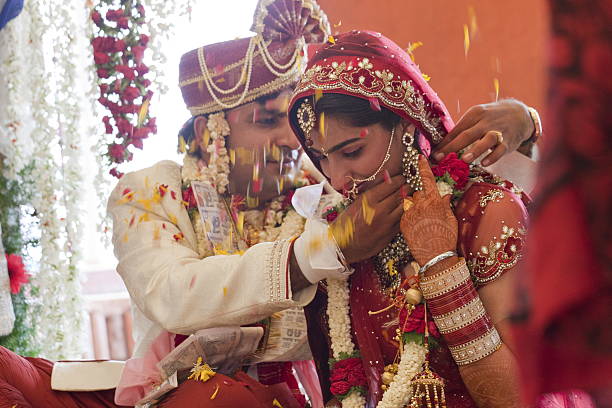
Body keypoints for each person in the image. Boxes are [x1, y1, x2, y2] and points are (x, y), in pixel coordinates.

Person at [0, 1, 540, 406]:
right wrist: (322, 251)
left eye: (293, 123)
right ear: (213, 130)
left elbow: (416, 139)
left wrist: (525, 123)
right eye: (267, 121)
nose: (292, 142)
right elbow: (171, 295)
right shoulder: (150, 192)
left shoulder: (318, 184)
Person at [287, 30, 533, 408]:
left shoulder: (484, 213)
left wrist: (440, 266)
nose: (337, 180)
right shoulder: (347, 236)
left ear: (404, 125)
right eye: (321, 158)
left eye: (351, 150)